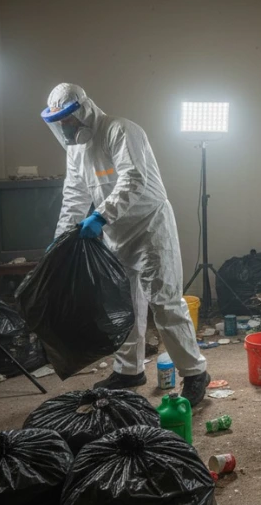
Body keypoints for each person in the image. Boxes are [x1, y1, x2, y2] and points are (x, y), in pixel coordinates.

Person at [42, 82, 211, 404]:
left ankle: (195, 372)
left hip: (150, 227)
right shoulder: (76, 148)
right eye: (58, 122)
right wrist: (61, 238)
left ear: (83, 111)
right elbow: (75, 195)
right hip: (114, 232)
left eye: (68, 119)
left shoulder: (120, 130)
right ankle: (129, 370)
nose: (64, 128)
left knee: (164, 302)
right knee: (123, 304)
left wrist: (100, 216)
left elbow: (134, 178)